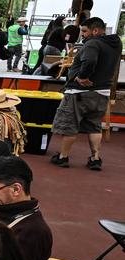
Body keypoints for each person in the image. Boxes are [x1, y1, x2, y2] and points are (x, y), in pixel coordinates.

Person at [50, 17, 122, 171]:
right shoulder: (114, 44)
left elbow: (89, 61)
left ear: (95, 30)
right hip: (102, 92)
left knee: (70, 125)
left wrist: (82, 77)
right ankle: (95, 158)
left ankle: (63, 156)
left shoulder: (92, 43)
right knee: (94, 126)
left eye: (84, 31)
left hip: (79, 92)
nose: (82, 34)